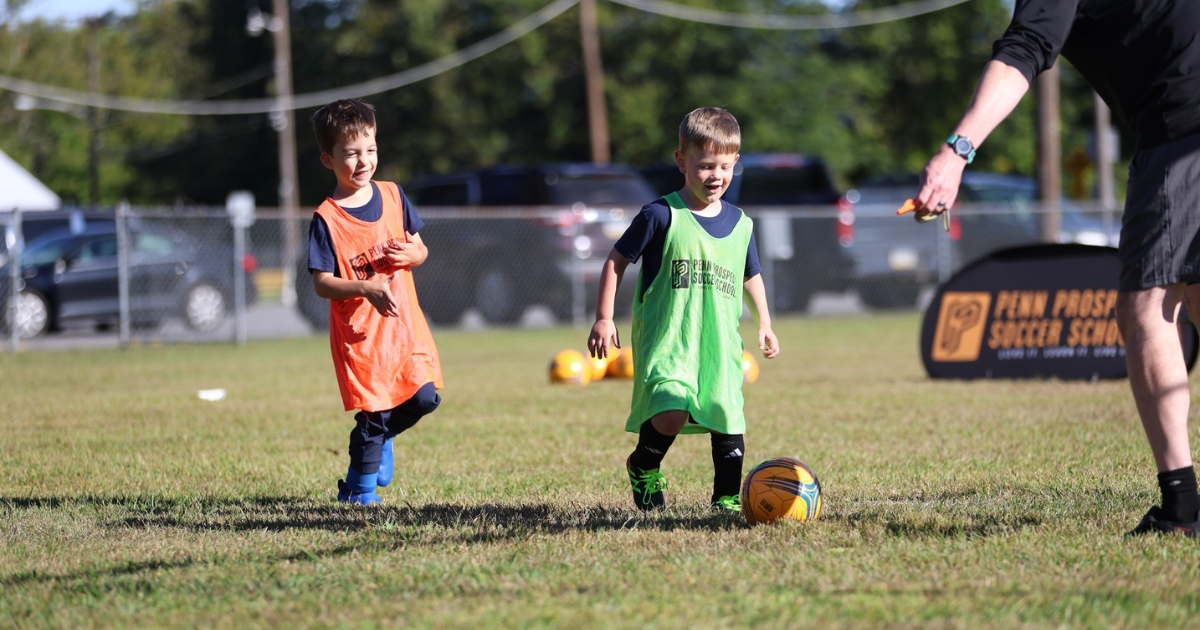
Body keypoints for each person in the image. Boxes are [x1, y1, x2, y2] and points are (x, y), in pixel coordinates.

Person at [909, 0, 1200, 536]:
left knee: (1148, 311)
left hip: (1181, 128)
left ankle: (1181, 509)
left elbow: (1026, 48)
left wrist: (956, 151)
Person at [588, 107, 780, 512]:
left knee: (726, 417)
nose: (715, 176)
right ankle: (643, 466)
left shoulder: (742, 224)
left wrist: (764, 321)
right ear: (682, 161)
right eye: (705, 165)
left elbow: (751, 275)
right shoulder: (660, 215)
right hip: (669, 341)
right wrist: (604, 317)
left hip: (719, 344)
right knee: (671, 410)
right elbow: (615, 261)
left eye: (724, 167)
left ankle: (726, 499)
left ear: (736, 164)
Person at [307, 99, 444, 505]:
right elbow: (321, 283)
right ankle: (359, 494)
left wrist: (413, 256)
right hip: (362, 337)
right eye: (351, 153)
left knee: (425, 398)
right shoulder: (326, 218)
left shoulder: (394, 195)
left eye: (370, 150)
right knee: (375, 414)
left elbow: (420, 248)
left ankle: (378, 443)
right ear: (328, 159)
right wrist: (365, 288)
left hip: (403, 327)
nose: (363, 161)